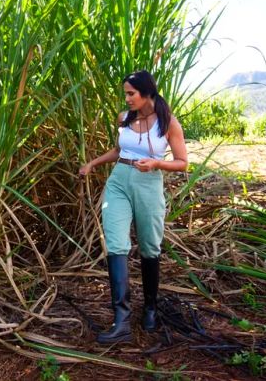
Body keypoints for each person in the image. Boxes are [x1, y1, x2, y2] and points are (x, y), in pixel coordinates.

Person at [78, 69, 188, 344]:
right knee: (115, 244)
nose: (126, 98)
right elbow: (119, 150)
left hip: (148, 183)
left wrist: (157, 163)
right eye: (125, 93)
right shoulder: (124, 118)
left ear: (147, 92)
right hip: (118, 181)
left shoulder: (168, 123)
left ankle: (149, 308)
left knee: (150, 246)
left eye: (131, 93)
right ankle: (121, 320)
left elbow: (182, 162)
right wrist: (93, 163)